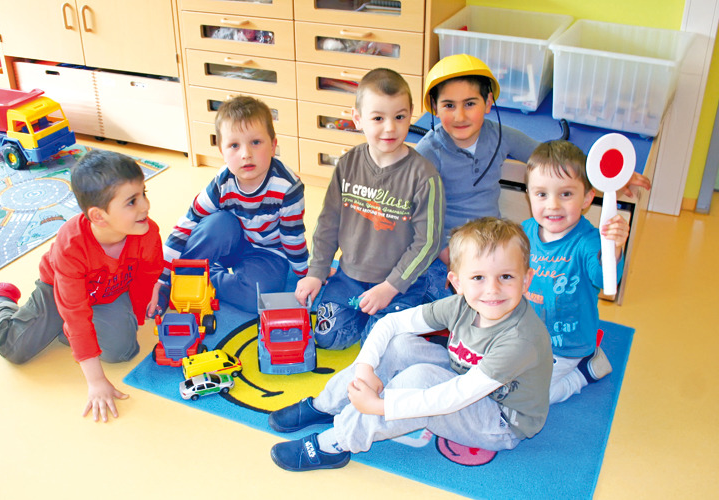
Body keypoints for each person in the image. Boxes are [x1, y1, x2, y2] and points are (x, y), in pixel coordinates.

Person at [268, 217, 552, 471]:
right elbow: (392, 324)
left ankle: (338, 441)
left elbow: (455, 396)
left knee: (420, 378)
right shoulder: (460, 305)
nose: (492, 289)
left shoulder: (521, 340)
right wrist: (366, 369)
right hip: (465, 377)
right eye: (478, 277)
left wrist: (380, 406)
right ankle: (326, 405)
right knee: (399, 345)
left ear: (526, 279)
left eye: (506, 276)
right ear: (457, 282)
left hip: (498, 422)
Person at [415, 54, 651, 300]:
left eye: (470, 104)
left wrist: (610, 174)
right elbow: (418, 212)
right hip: (448, 248)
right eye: (449, 105)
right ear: (434, 106)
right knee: (452, 305)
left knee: (509, 301)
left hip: (492, 240)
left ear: (488, 102)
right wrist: (450, 258)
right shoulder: (429, 150)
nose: (460, 116)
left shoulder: (500, 135)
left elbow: (553, 160)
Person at [0, 150, 164, 422]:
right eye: (132, 201)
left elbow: (149, 271)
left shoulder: (146, 230)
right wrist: (95, 382)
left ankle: (66, 332)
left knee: (122, 352)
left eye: (144, 193)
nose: (145, 206)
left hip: (109, 291)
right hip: (60, 293)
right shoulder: (71, 245)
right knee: (15, 350)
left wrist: (139, 312)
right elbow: (75, 310)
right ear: (99, 216)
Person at [296, 67, 445, 350]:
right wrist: (317, 271)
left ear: (411, 114)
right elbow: (328, 222)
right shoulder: (347, 164)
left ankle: (416, 301)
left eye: (399, 117)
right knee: (327, 338)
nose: (390, 127)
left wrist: (390, 287)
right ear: (357, 118)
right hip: (350, 278)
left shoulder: (424, 176)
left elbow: (428, 242)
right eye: (378, 118)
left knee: (383, 345)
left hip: (401, 285)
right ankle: (369, 315)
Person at [157, 95, 309, 314]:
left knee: (256, 298)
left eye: (256, 142)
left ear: (273, 145)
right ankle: (182, 275)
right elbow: (189, 221)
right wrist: (163, 277)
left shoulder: (287, 187)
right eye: (234, 146)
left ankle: (204, 277)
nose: (246, 154)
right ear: (222, 152)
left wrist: (305, 274)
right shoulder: (222, 181)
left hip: (267, 252)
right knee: (216, 224)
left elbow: (292, 236)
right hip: (232, 239)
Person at [522, 140, 628, 404]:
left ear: (588, 198)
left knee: (532, 397)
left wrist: (612, 249)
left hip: (567, 345)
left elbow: (605, 281)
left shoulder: (588, 242)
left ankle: (587, 371)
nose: (553, 205)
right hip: (527, 335)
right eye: (542, 194)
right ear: (528, 194)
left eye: (566, 194)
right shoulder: (524, 231)